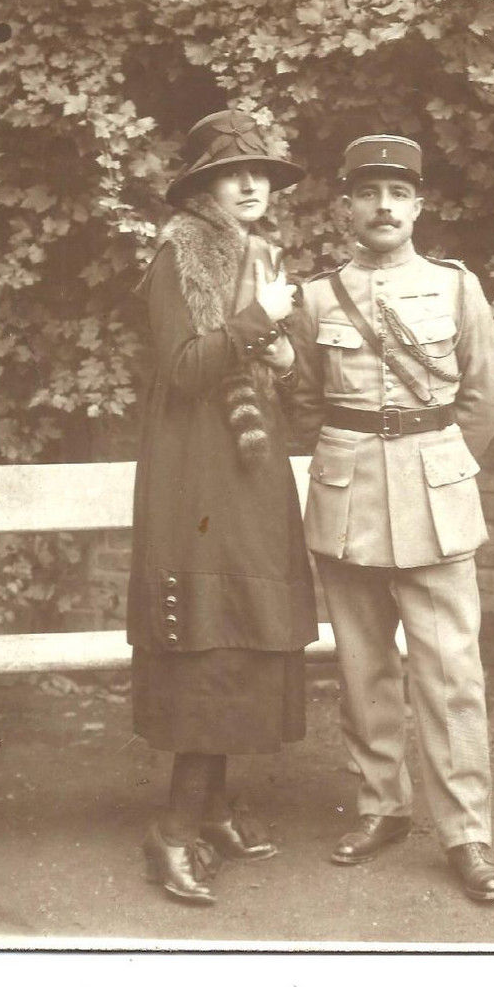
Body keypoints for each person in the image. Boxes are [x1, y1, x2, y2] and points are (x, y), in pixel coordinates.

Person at [290, 134, 494, 902]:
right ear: (345, 205)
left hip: (435, 497)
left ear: (418, 205)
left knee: (451, 675)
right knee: (362, 670)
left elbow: (487, 395)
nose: (383, 207)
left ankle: (466, 835)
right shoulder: (317, 297)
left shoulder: (455, 288)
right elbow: (309, 402)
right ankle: (381, 808)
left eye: (398, 194)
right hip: (347, 499)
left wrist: (439, 463)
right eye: (368, 193)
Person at [127, 109, 318, 906]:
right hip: (194, 475)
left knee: (241, 632)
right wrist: (256, 322)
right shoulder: (178, 254)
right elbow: (181, 370)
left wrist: (282, 350)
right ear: (202, 187)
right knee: (205, 640)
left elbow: (293, 385)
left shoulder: (262, 256)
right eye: (231, 173)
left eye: (261, 172)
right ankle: (170, 828)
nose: (251, 184)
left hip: (251, 474)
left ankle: (208, 811)